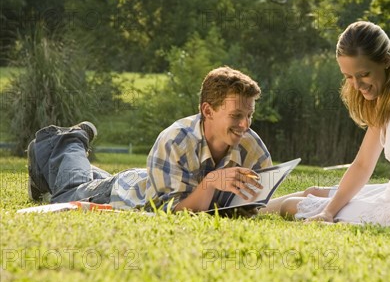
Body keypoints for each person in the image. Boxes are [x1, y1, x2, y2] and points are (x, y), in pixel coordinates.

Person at [261, 21, 390, 225]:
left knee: (289, 206)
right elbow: (363, 165)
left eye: (364, 74)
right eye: (348, 77)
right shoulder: (386, 94)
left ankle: (245, 212)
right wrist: (328, 212)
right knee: (313, 192)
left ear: (386, 61)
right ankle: (243, 210)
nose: (357, 85)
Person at [26, 66, 272, 212]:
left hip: (149, 179)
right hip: (124, 194)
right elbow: (175, 211)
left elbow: (256, 204)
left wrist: (303, 199)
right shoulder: (175, 140)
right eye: (236, 115)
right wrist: (211, 182)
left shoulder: (251, 147)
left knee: (83, 180)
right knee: (68, 192)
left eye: (249, 115)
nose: (245, 124)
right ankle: (72, 141)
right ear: (208, 111)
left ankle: (63, 160)